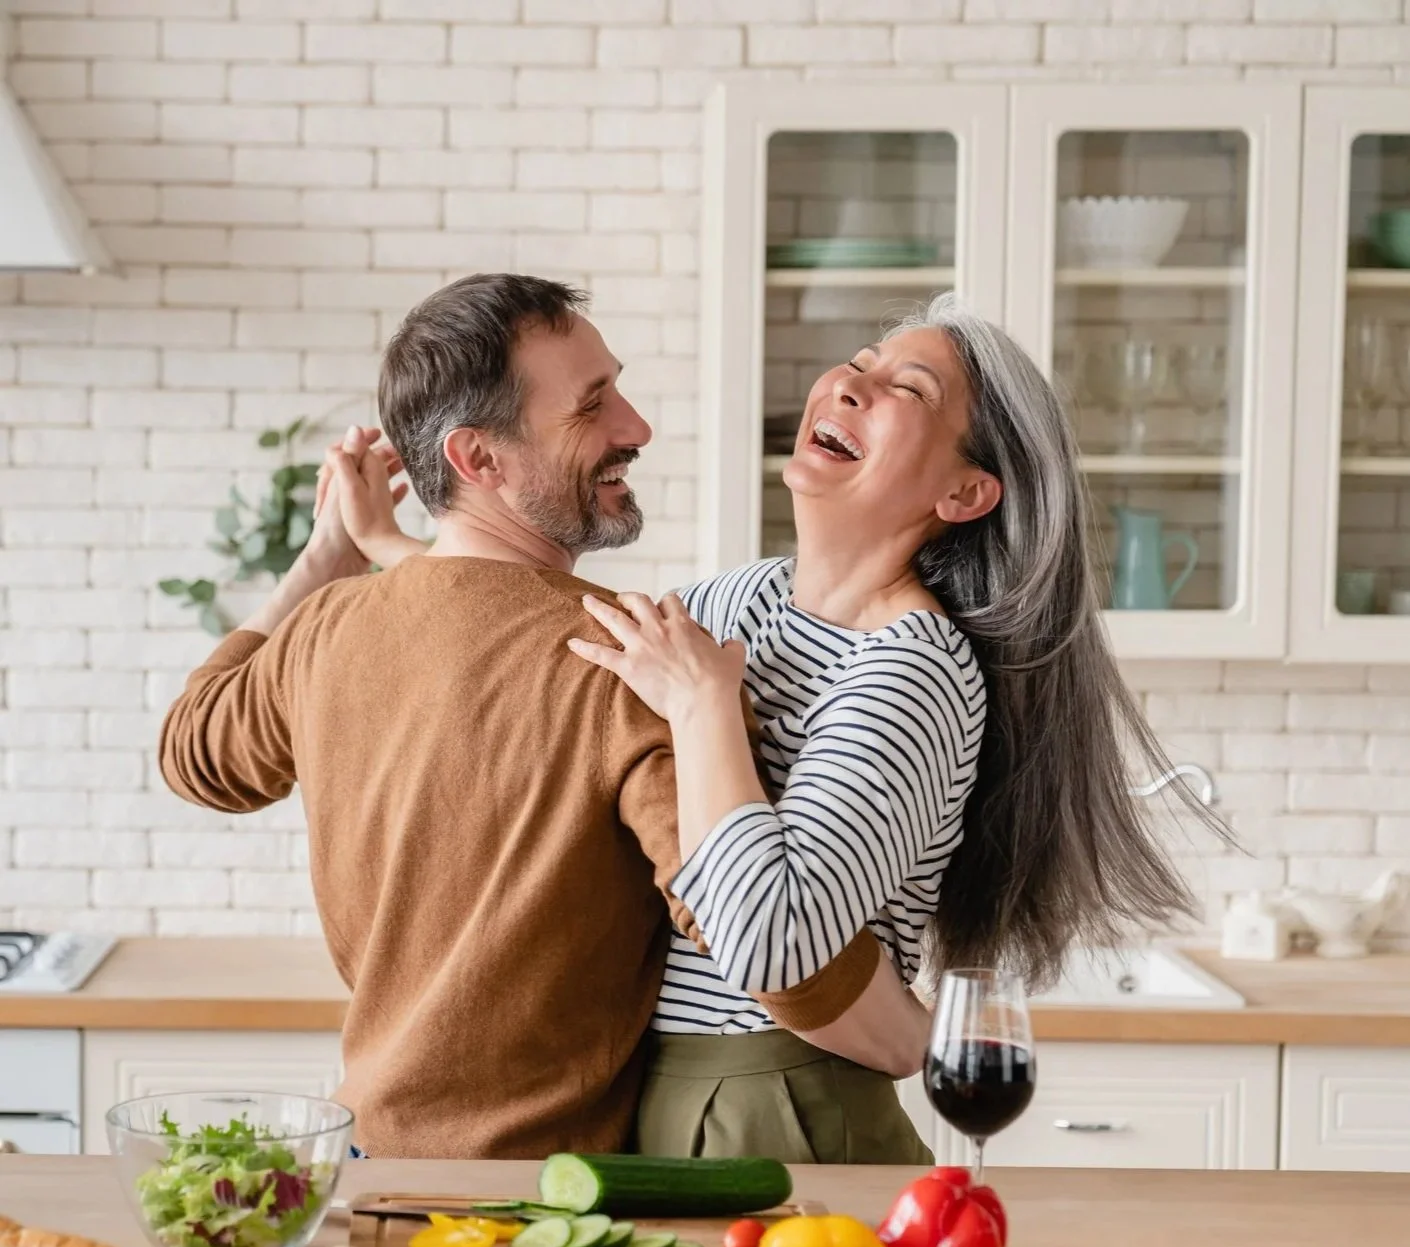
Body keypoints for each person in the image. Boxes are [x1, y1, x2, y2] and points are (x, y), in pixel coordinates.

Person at [339, 289, 1199, 1164]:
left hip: (784, 1103)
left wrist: (707, 708)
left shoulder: (912, 669)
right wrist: (390, 547)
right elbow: (548, 635)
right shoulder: (741, 600)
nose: (849, 387)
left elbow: (773, 943)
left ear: (966, 490)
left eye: (909, 389)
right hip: (658, 1095)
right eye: (858, 364)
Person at [159, 273, 913, 1161]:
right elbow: (769, 946)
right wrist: (924, 1042)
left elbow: (193, 752)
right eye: (592, 408)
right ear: (479, 461)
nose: (635, 427)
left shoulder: (325, 630)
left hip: (365, 1166)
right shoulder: (627, 664)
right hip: (539, 1201)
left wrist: (324, 558)